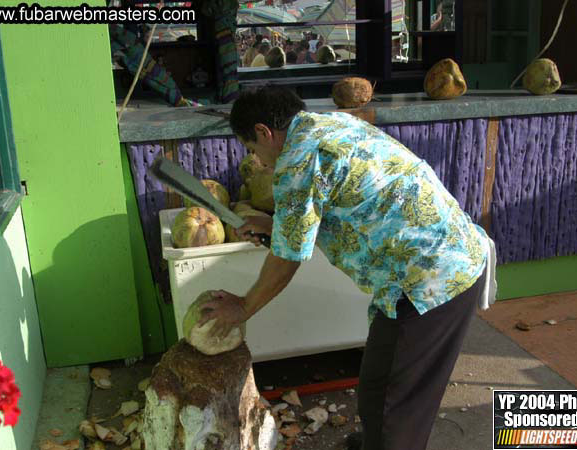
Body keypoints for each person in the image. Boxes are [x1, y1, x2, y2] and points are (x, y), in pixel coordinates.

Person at [197, 86, 492, 450]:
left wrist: (243, 307)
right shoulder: (330, 124)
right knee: (385, 387)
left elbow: (287, 260)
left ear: (263, 132)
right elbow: (340, 204)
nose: (259, 161)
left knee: (392, 400)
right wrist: (275, 226)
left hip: (429, 281)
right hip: (455, 258)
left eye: (253, 150)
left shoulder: (297, 162)